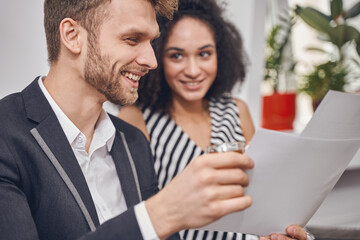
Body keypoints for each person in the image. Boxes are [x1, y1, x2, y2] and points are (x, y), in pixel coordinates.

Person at [0, 0, 257, 239]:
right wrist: (159, 214)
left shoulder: (133, 142)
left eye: (150, 42)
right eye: (132, 39)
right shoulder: (7, 136)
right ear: (72, 36)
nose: (152, 61)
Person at [118, 0, 310, 239]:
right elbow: (138, 214)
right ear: (158, 58)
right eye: (177, 56)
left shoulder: (236, 110)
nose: (193, 70)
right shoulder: (137, 118)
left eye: (204, 54)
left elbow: (259, 198)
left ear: (220, 54)